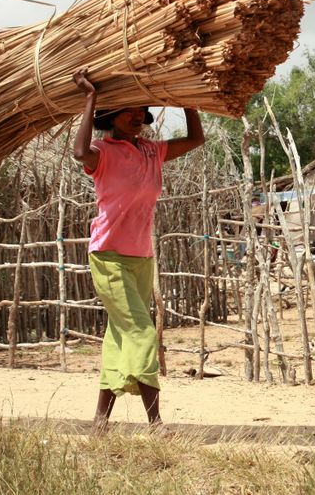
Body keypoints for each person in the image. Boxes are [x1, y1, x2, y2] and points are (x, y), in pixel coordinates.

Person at [71, 67, 204, 433]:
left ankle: (100, 422)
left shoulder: (152, 151)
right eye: (128, 110)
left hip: (141, 257)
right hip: (108, 255)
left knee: (120, 335)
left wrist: (188, 100)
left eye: (141, 110)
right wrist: (89, 97)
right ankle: (156, 422)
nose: (137, 116)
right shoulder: (102, 152)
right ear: (110, 116)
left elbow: (195, 139)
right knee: (143, 333)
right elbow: (78, 151)